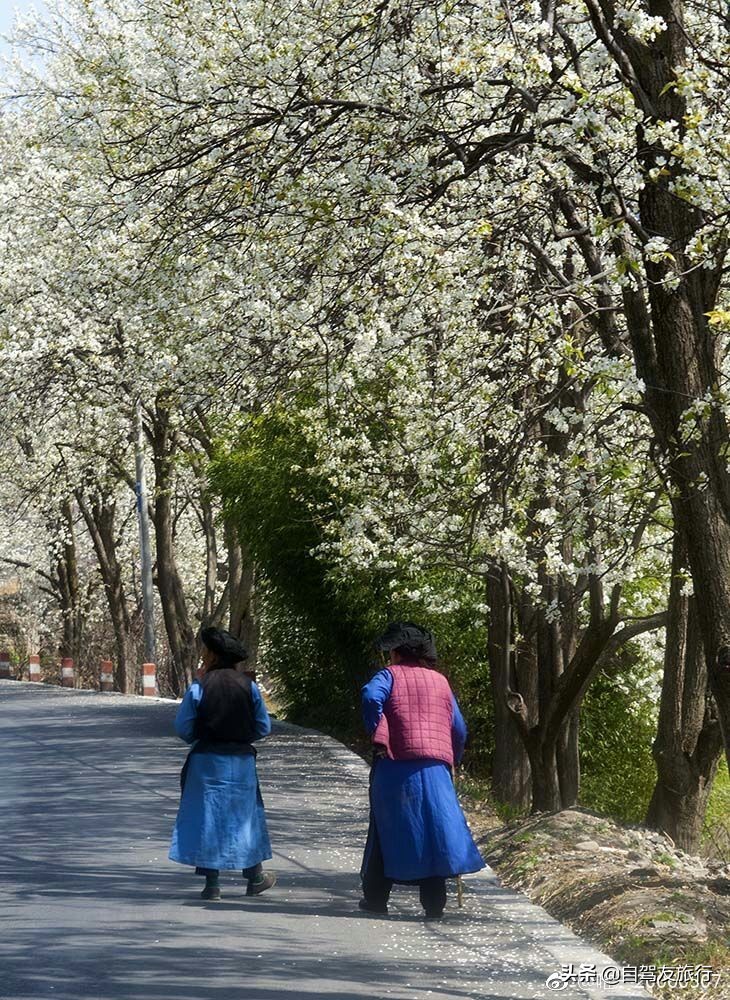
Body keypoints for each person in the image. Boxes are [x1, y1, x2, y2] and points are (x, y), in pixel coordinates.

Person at [359, 622, 484, 918]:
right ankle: (434, 904)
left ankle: (376, 899)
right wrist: (452, 756)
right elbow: (460, 728)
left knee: (385, 828)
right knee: (434, 831)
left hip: (395, 765)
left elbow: (369, 696)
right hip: (436, 768)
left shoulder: (388, 676)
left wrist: (379, 730)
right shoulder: (440, 681)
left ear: (397, 653)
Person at [169, 626, 276, 900]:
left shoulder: (199, 686)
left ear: (213, 655)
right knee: (246, 817)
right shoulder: (249, 686)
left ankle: (212, 885)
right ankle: (255, 877)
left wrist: (200, 736)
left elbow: (183, 727)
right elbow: (263, 727)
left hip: (206, 761)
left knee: (208, 816)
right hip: (240, 761)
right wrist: (242, 737)